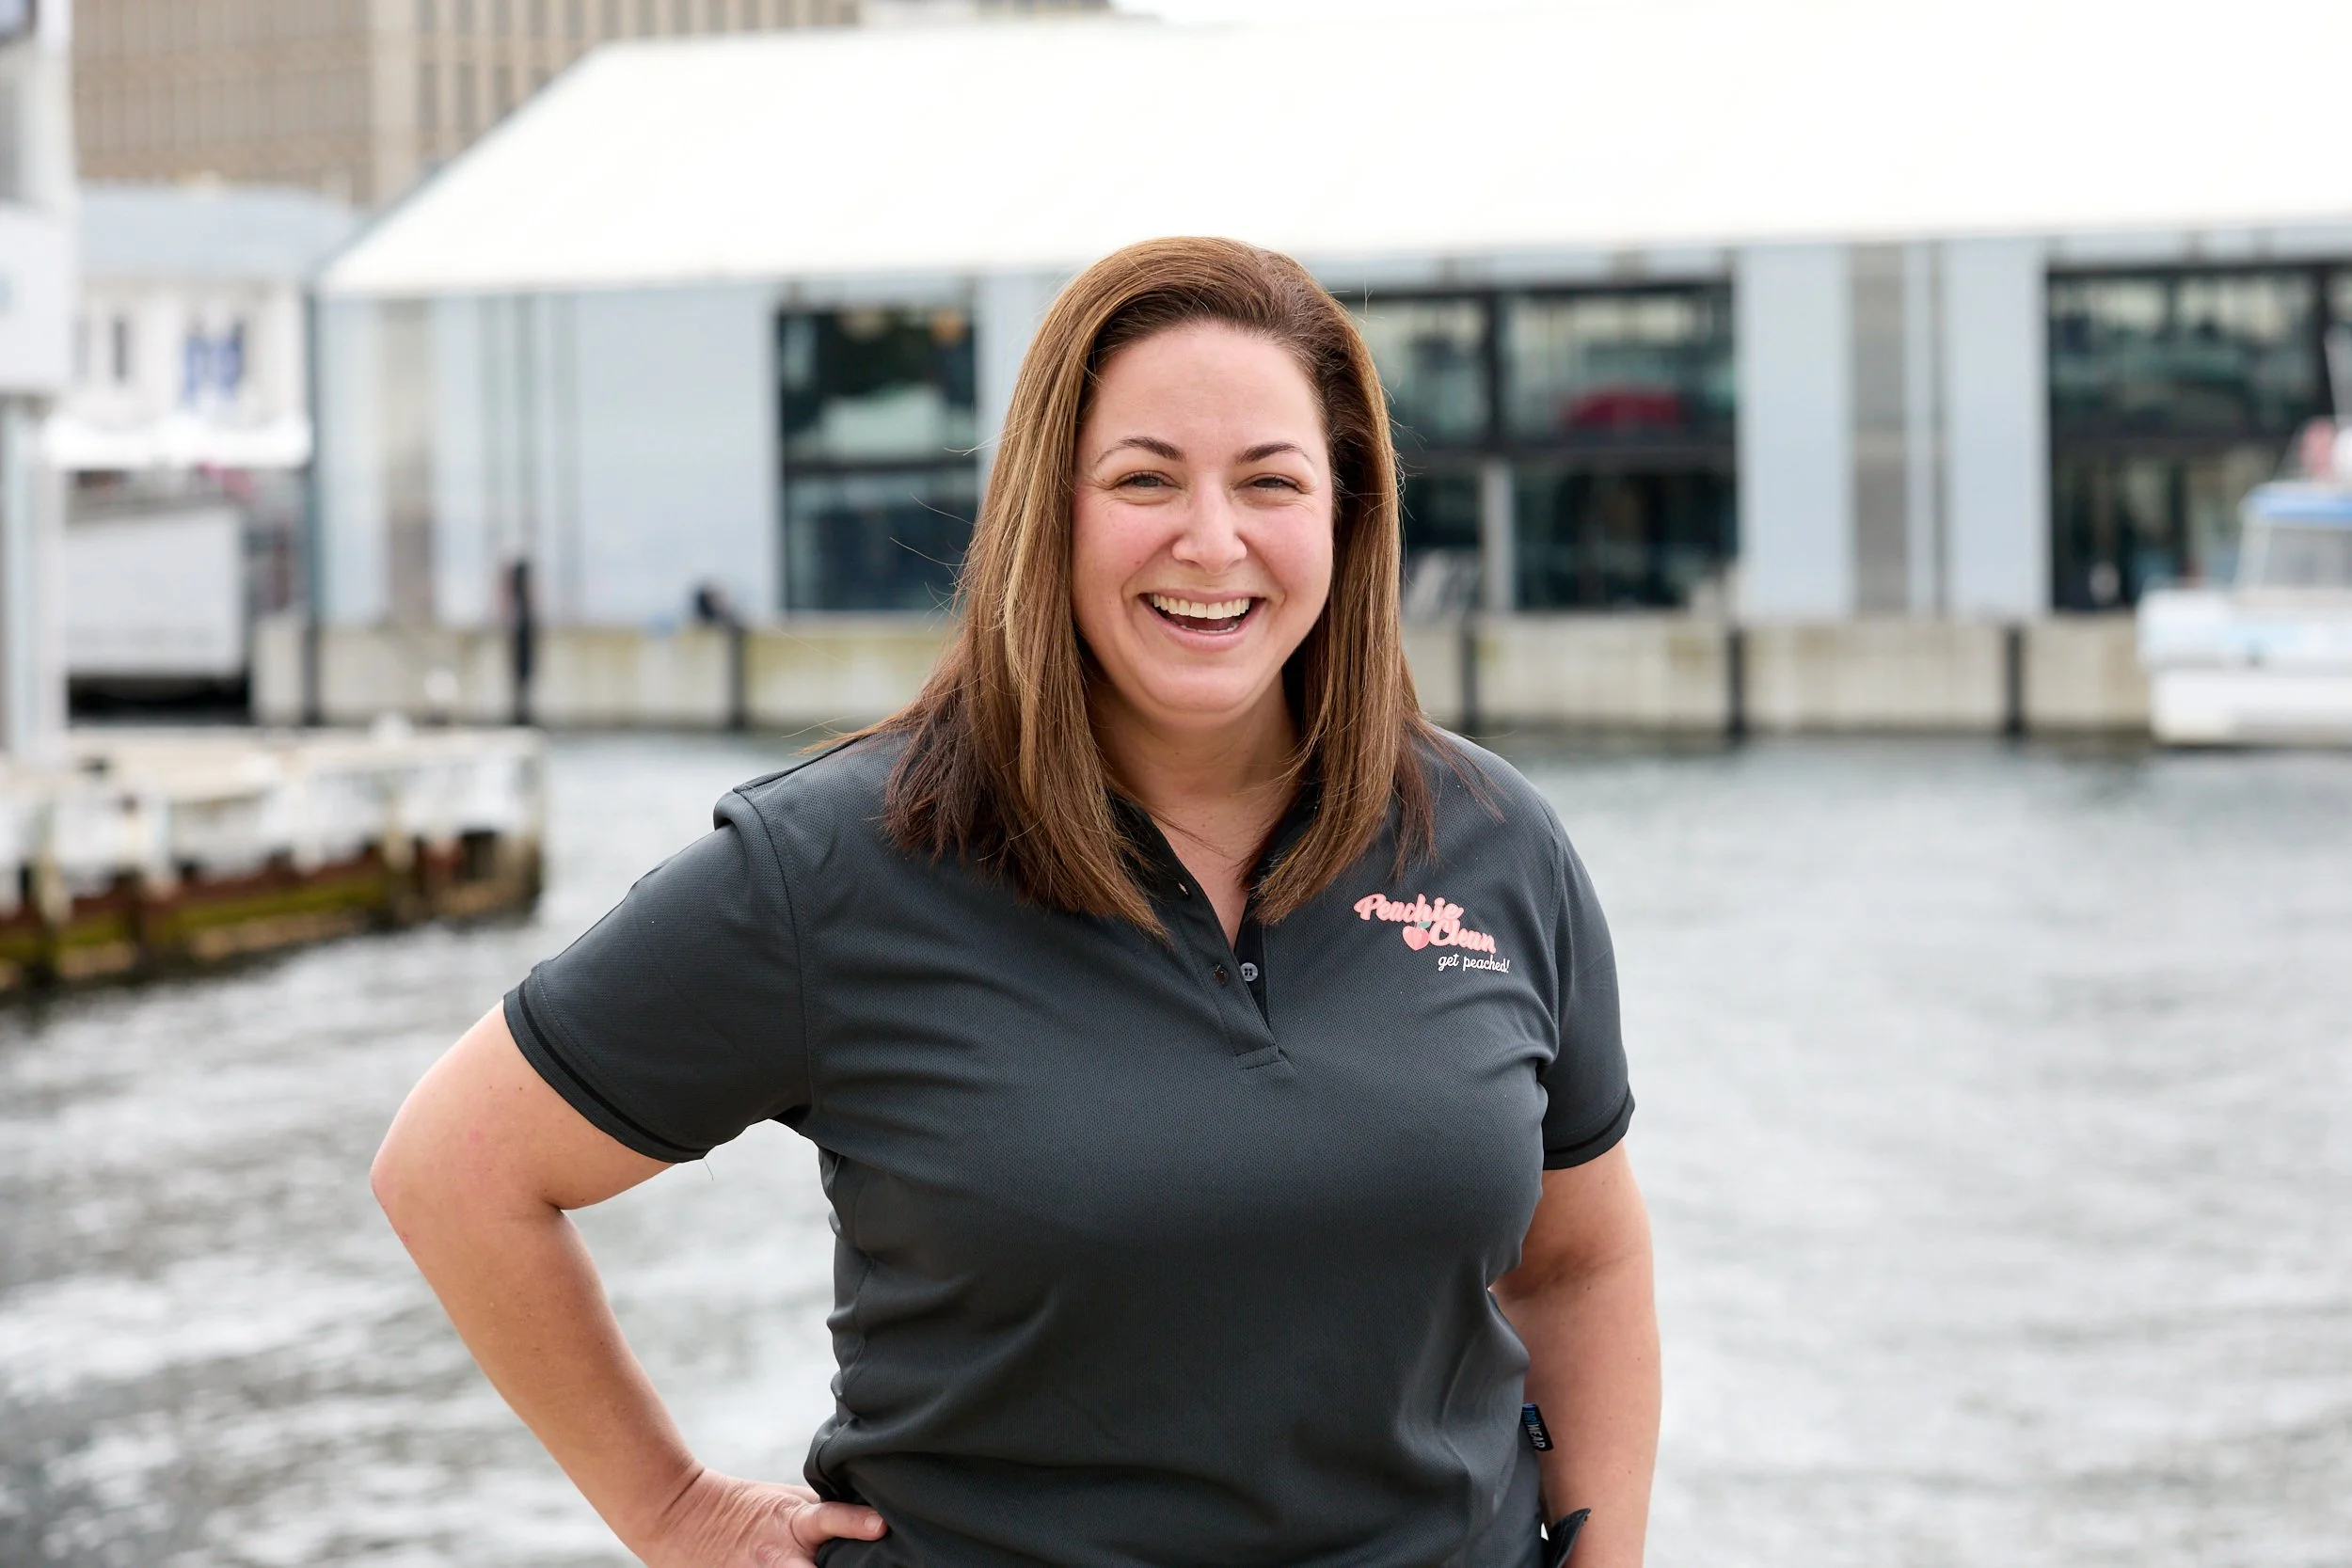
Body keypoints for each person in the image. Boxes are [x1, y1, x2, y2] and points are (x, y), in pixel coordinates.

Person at [372, 237, 1659, 1567]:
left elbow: (1578, 1264)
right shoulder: (836, 861)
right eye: (1144, 478)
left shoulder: (1494, 842)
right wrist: (673, 1506)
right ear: (1053, 505)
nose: (1210, 540)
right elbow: (460, 1168)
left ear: (1346, 509)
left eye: (1270, 481)